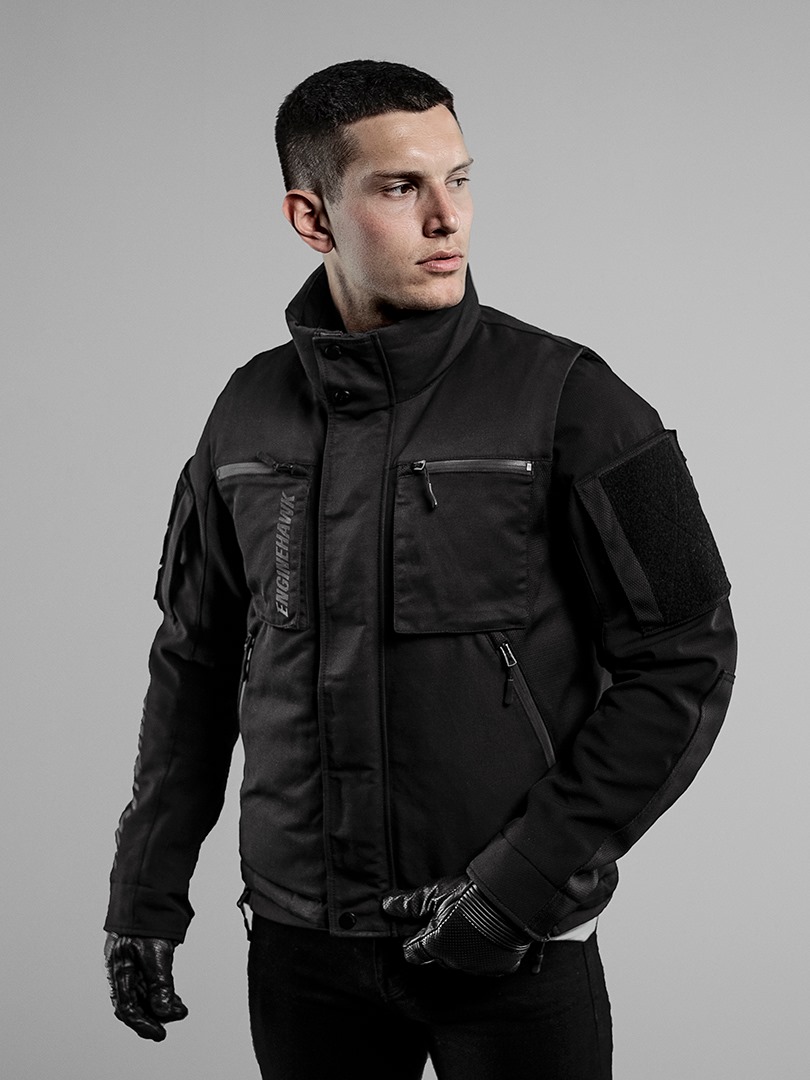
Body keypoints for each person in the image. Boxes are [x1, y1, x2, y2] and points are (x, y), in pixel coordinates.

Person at [104, 59, 736, 1079]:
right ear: (312, 218)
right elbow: (196, 659)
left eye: (460, 179)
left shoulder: (578, 399)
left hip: (509, 945)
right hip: (303, 948)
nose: (448, 218)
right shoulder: (245, 411)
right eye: (401, 187)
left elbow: (687, 662)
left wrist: (519, 886)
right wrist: (145, 889)